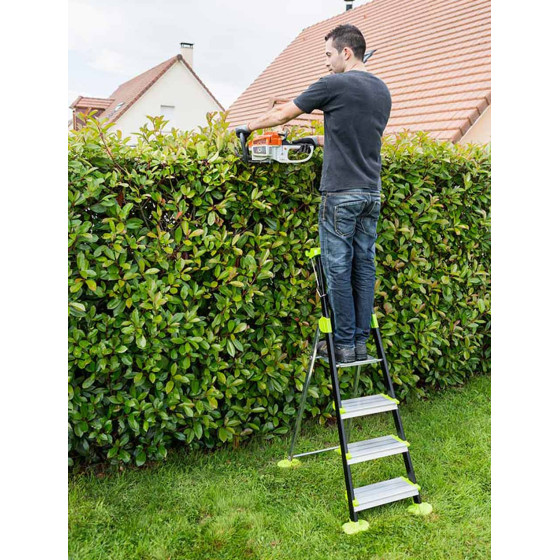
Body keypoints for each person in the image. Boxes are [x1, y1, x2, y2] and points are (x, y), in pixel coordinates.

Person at [235, 24, 392, 363]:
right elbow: (359, 139)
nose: (325, 63)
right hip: (371, 193)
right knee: (364, 266)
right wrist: (315, 140)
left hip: (340, 195)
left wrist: (246, 127)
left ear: (345, 52)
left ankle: (344, 346)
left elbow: (282, 113)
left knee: (337, 267)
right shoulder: (382, 91)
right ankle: (361, 343)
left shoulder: (332, 84)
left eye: (328, 55)